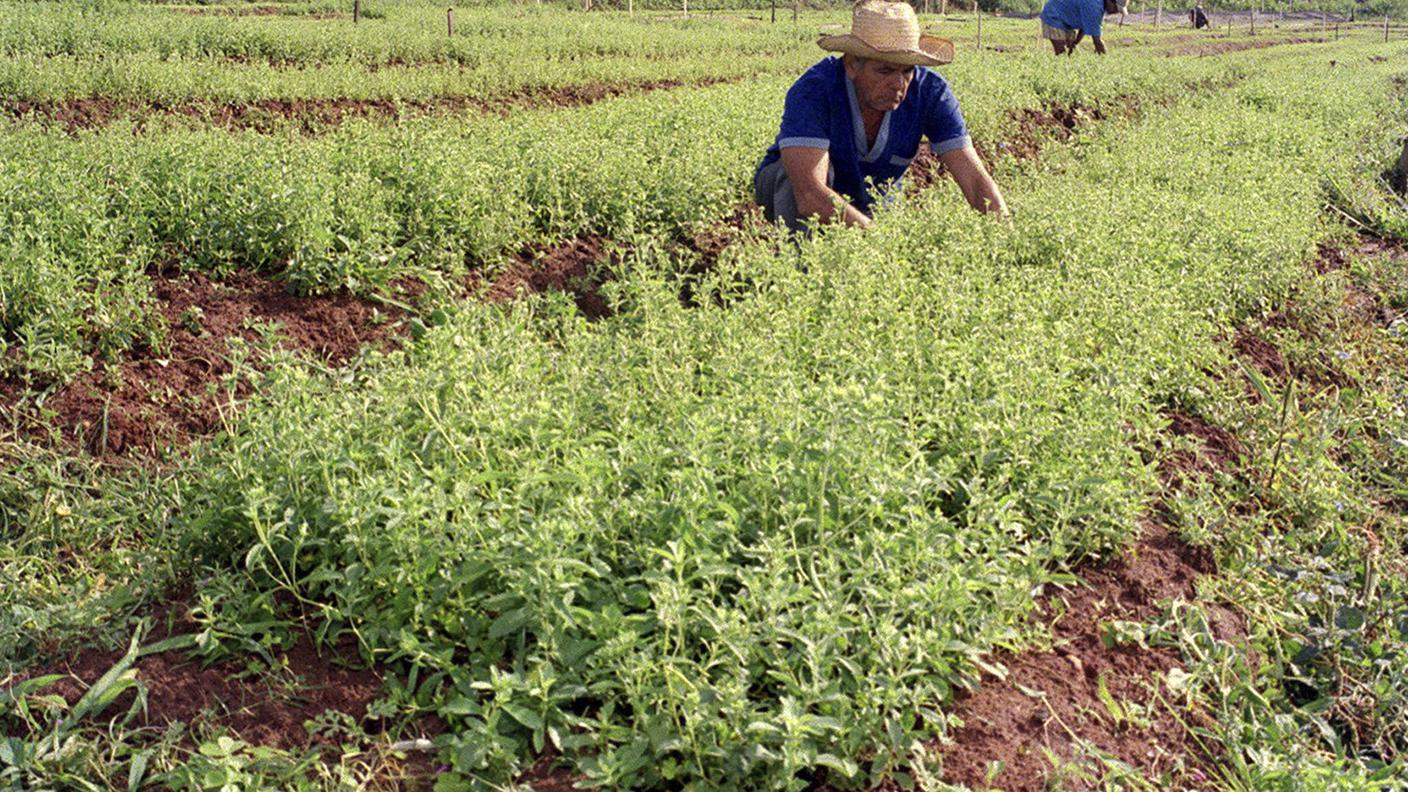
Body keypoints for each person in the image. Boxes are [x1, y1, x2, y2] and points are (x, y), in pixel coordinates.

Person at [753, 0, 1006, 233]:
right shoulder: (815, 90)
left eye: (907, 71)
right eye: (884, 70)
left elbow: (974, 181)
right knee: (794, 176)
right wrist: (877, 239)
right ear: (852, 65)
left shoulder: (931, 92)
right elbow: (809, 194)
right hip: (794, 191)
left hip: (872, 200)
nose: (898, 84)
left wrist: (1009, 238)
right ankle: (802, 268)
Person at [1039, 0, 1125, 55]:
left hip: (1066, 19)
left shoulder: (1099, 6)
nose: (1116, 12)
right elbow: (1097, 41)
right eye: (1116, 8)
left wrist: (1075, 42)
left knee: (1070, 49)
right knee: (1061, 52)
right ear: (1110, 1)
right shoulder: (1094, 7)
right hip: (1053, 15)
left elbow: (1085, 25)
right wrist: (1104, 59)